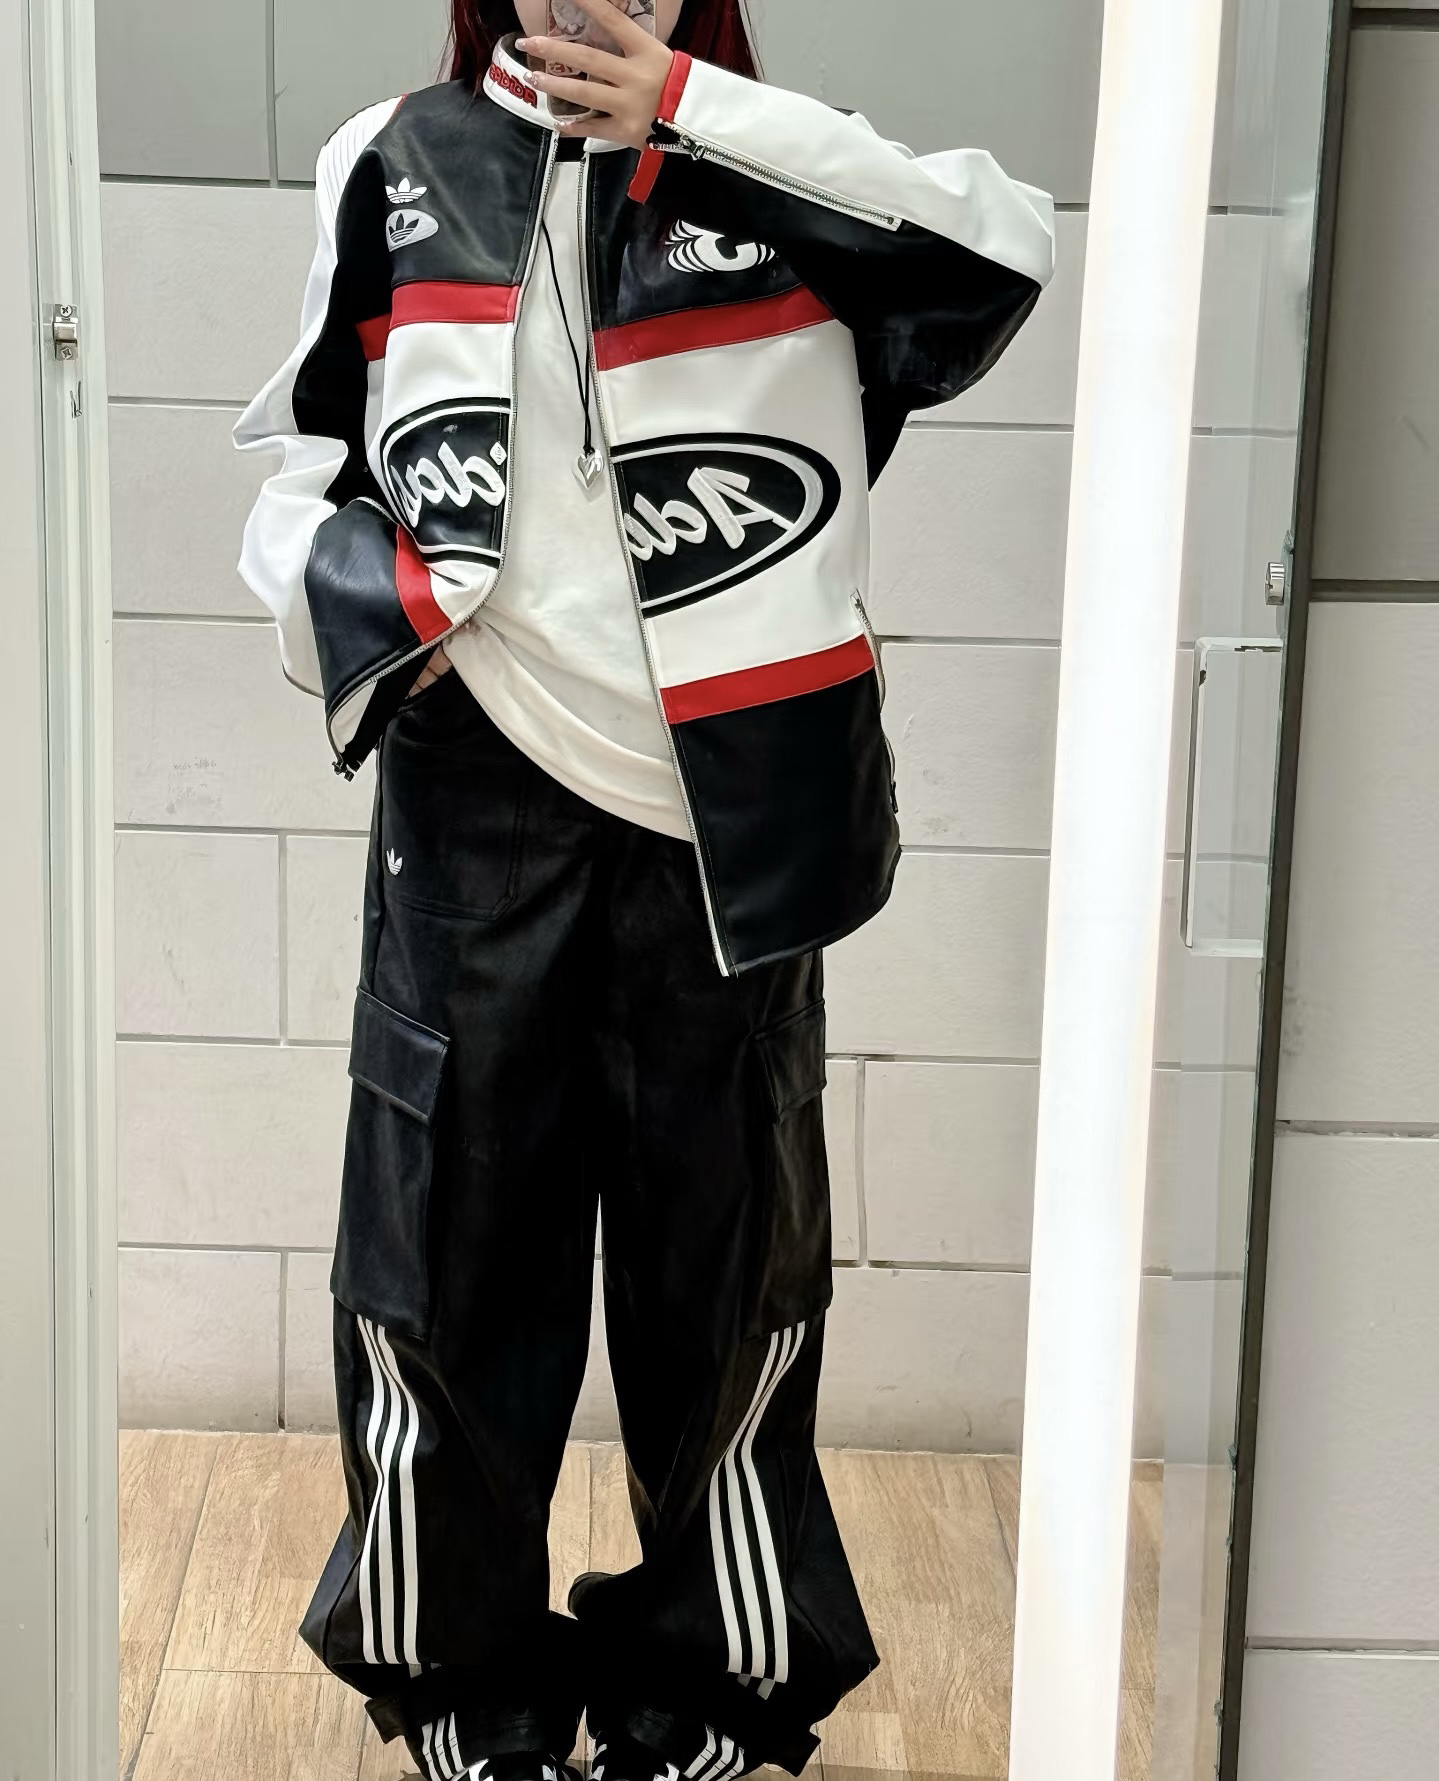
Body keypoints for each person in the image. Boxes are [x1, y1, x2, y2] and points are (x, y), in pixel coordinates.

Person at [233, 2, 1053, 1777]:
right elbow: (306, 465)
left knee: (728, 1274)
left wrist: (696, 114)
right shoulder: (396, 157)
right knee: (445, 1260)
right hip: (474, 795)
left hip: (726, 818)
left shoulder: (786, 160)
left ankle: (712, 1688)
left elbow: (1000, 257)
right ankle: (462, 1683)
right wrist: (385, 614)